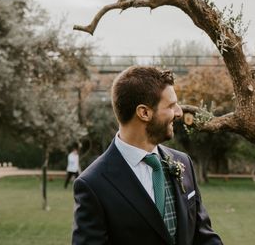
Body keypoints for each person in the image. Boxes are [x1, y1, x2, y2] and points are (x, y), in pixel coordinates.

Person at [72, 66, 223, 245]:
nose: (179, 112)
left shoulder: (183, 163)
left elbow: (203, 236)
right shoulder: (93, 185)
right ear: (144, 113)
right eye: (171, 105)